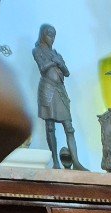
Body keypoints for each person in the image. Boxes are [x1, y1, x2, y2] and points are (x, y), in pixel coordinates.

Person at [32, 24, 84, 170]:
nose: (52, 38)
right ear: (43, 34)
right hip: (47, 89)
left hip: (60, 89)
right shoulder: (37, 51)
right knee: (50, 127)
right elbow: (42, 68)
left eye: (54, 35)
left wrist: (60, 62)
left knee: (69, 126)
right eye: (49, 34)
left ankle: (77, 162)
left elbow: (66, 73)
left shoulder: (56, 53)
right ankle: (55, 162)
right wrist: (54, 61)